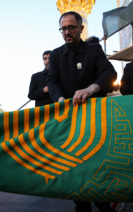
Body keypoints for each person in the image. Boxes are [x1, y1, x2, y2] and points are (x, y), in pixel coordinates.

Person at [47, 11, 117, 212]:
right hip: (70, 120)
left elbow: (110, 73)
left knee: (99, 161)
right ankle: (81, 204)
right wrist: (60, 100)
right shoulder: (57, 54)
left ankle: (103, 202)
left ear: (81, 28)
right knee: (74, 163)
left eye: (71, 27)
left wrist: (90, 89)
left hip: (96, 118)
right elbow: (52, 81)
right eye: (64, 28)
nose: (67, 32)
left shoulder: (93, 50)